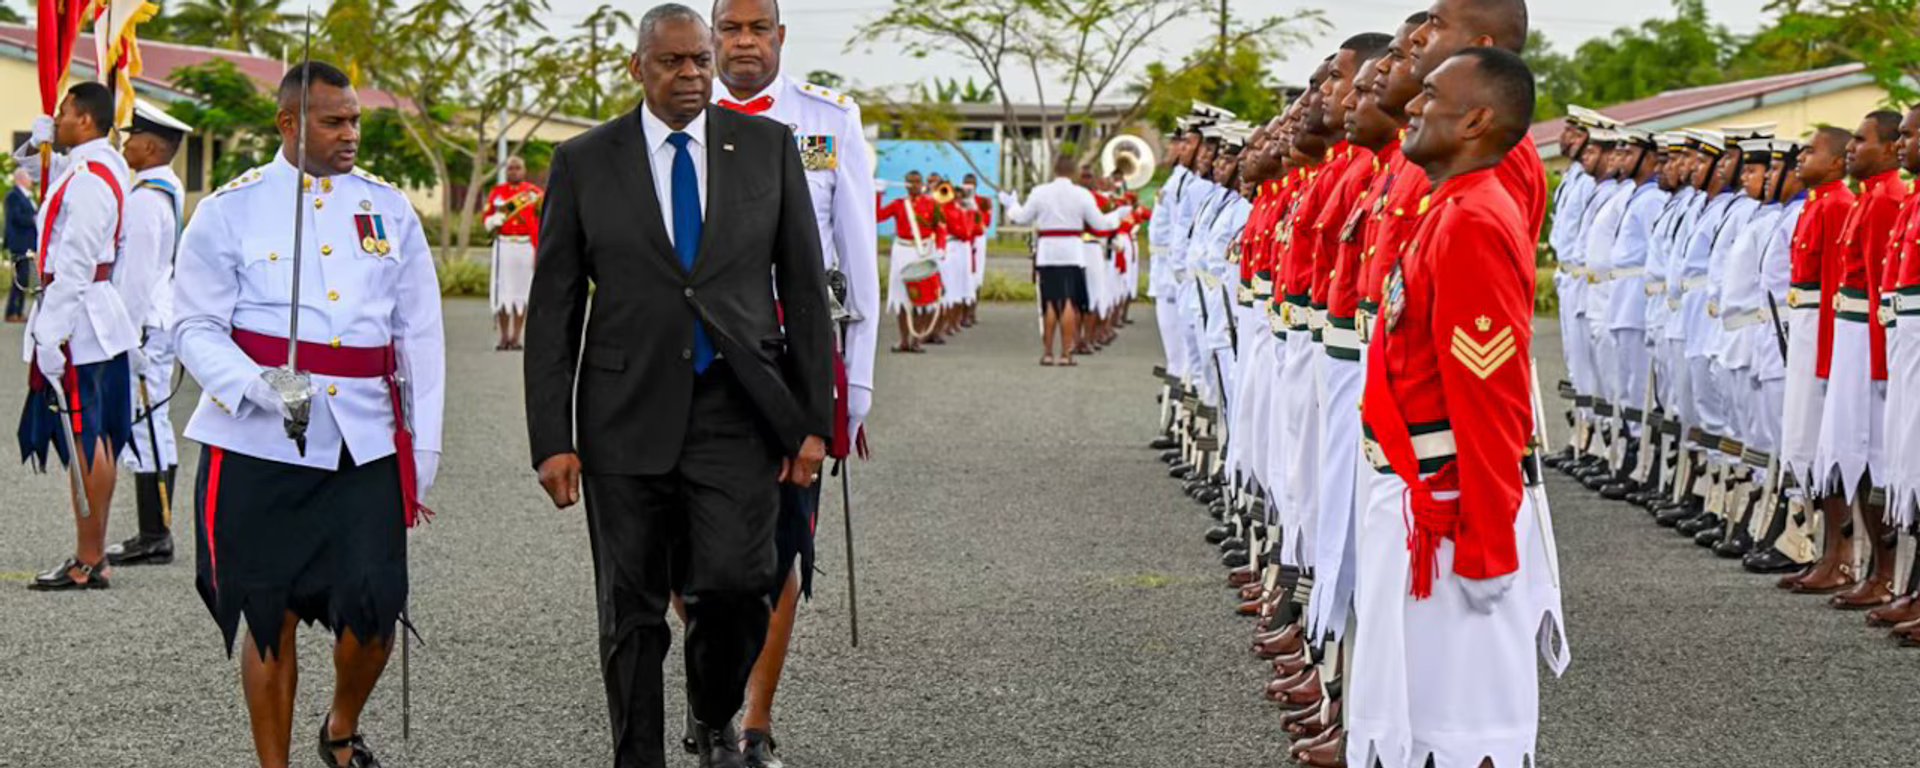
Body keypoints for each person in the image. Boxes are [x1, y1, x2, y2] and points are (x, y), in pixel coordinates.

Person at [522, 5, 835, 767]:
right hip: (623, 417)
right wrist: (552, 440)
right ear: (638, 68)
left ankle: (712, 712)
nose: (693, 74)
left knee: (737, 584)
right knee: (631, 614)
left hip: (737, 409)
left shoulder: (767, 148)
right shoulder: (586, 161)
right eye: (673, 62)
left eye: (700, 59)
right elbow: (555, 307)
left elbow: (801, 288)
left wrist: (812, 420)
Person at [174, 60, 444, 768]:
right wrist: (259, 385)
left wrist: (427, 445)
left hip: (365, 441)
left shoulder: (388, 206)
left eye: (355, 119)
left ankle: (341, 726)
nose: (350, 133)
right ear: (288, 123)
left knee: (375, 606)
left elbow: (419, 332)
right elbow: (193, 326)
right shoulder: (230, 209)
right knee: (269, 615)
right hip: (258, 440)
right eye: (333, 121)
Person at [1349, 45, 1567, 768]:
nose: (1411, 103)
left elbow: (1490, 398)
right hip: (1418, 491)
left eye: (1431, 93)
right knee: (1415, 713)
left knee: (1461, 723)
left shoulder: (1473, 219)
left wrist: (1487, 541)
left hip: (1446, 513)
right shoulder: (1449, 209)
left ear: (1476, 119)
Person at [707, 0, 880, 763]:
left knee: (779, 547)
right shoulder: (673, 113)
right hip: (699, 360)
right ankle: (718, 674)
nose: (744, 43)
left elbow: (857, 256)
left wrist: (857, 386)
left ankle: (754, 720)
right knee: (696, 552)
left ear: (779, 37)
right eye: (730, 29)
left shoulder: (827, 120)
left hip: (792, 360)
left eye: (757, 29)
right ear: (712, 37)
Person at [16, 82, 138, 591]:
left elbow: (74, 262)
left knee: (90, 439)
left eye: (63, 112)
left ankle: (88, 559)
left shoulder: (89, 176)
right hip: (93, 314)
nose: (56, 117)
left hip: (80, 319)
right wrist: (32, 146)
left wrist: (51, 332)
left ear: (84, 119)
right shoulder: (98, 164)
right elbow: (51, 184)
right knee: (96, 437)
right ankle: (92, 554)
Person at [1802, 111, 1908, 604]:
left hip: (1873, 345)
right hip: (1852, 338)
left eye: (1860, 142)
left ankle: (1882, 573)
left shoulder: (1888, 199)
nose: (1851, 151)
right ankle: (1855, 564)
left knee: (1877, 456)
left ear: (1886, 151)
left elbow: (1882, 294)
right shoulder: (1874, 198)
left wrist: (1881, 367)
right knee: (1846, 451)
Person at [106, 101, 193, 567]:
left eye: (132, 135)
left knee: (147, 422)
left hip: (143, 324)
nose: (125, 142)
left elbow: (135, 279)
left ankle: (155, 535)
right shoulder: (165, 187)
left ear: (153, 146)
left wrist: (125, 335)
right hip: (157, 321)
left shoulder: (145, 200)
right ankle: (155, 531)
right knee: (152, 420)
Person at [1000, 153, 1129, 366]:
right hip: (1072, 251)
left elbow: (1021, 217)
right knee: (1070, 302)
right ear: (1073, 173)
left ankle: (1048, 352)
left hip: (1048, 252)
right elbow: (1100, 224)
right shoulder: (1081, 194)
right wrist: (1117, 215)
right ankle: (1066, 354)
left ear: (1054, 170)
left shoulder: (1040, 192)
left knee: (1050, 303)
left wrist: (1011, 204)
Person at [876, 169, 944, 353]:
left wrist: (940, 248)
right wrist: (878, 193)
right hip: (902, 250)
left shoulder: (931, 204)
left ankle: (916, 340)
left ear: (921, 183)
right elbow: (877, 216)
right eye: (910, 181)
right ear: (905, 184)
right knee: (901, 298)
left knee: (922, 298)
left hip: (923, 251)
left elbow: (940, 228)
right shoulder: (899, 204)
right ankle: (904, 340)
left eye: (917, 181)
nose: (914, 184)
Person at [483, 156, 542, 351]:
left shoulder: (534, 194)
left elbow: (544, 219)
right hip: (504, 245)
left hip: (526, 246)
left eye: (517, 168)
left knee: (522, 292)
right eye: (510, 168)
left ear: (524, 171)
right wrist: (492, 221)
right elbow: (486, 217)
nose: (513, 172)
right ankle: (503, 336)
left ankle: (516, 337)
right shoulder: (497, 192)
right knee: (503, 290)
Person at [5, 167, 35, 323]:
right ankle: (11, 312)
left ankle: (19, 312)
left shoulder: (27, 196)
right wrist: (34, 219)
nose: (31, 180)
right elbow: (16, 217)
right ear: (20, 179)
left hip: (28, 244)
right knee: (18, 279)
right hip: (19, 244)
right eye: (29, 177)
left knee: (24, 280)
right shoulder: (13, 196)